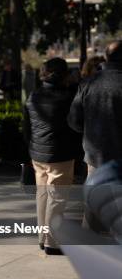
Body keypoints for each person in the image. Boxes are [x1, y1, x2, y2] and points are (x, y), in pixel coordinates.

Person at [24, 58, 81, 255]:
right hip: (61, 154)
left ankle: (43, 238)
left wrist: (30, 149)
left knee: (42, 195)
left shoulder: (33, 96)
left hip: (38, 153)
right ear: (64, 74)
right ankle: (52, 242)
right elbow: (76, 125)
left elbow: (26, 128)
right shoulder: (69, 97)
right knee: (56, 197)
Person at [68, 40, 122, 173]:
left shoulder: (87, 84)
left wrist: (91, 131)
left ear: (107, 57)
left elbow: (74, 121)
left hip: (96, 158)